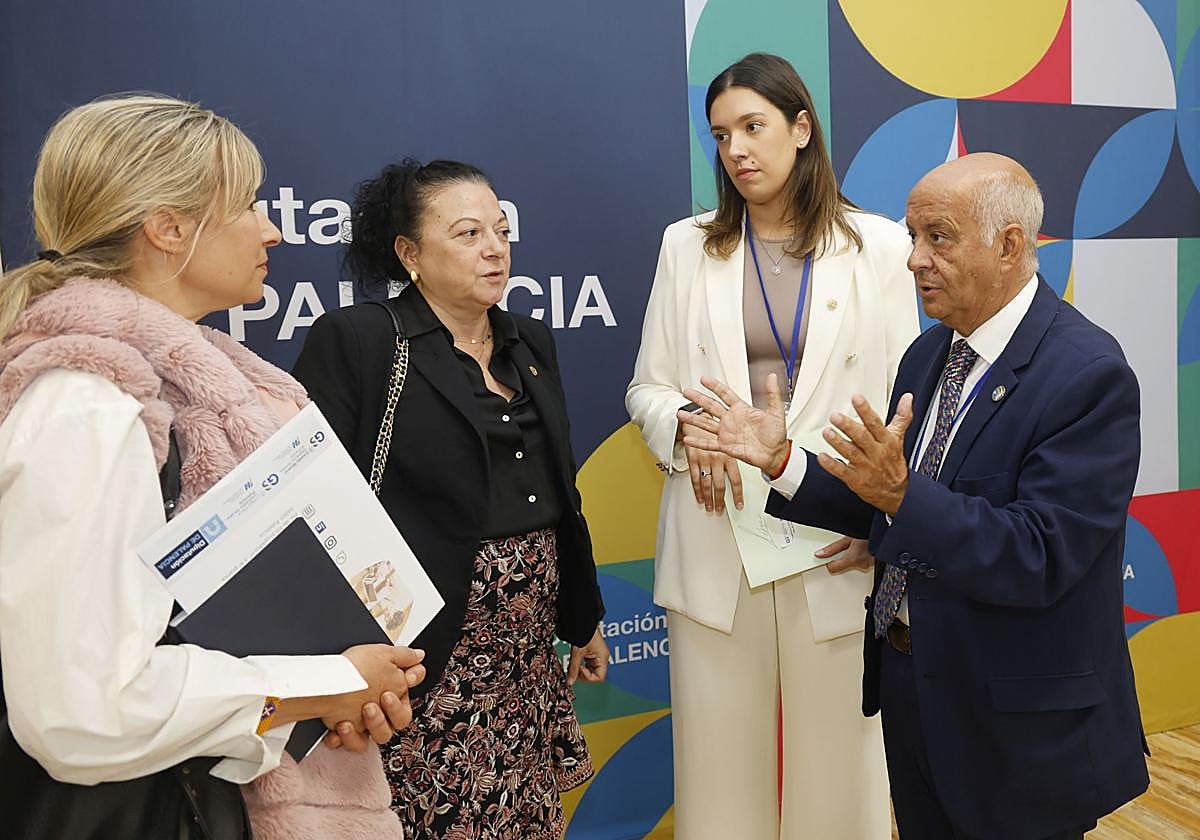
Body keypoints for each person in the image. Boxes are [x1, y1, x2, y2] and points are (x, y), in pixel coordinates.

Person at [679, 152, 1150, 840]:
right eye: (912, 236)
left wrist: (901, 498)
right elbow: (888, 502)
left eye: (939, 237)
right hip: (917, 697)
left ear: (1010, 246)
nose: (914, 260)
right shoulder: (928, 357)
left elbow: (1039, 554)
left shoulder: (1087, 374)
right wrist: (782, 461)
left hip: (1019, 725)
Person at [0, 94, 427, 839]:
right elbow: (84, 711)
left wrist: (325, 699)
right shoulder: (89, 409)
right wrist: (323, 682)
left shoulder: (200, 385)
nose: (271, 228)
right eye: (249, 204)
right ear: (167, 228)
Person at [625, 52, 918, 838]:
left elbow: (908, 410)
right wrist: (690, 431)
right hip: (718, 534)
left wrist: (884, 528)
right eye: (721, 135)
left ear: (802, 126)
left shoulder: (881, 248)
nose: (737, 151)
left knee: (846, 776)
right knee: (718, 778)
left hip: (833, 541)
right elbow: (646, 389)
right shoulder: (685, 246)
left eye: (753, 127)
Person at [291, 157, 609, 839]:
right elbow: (312, 511)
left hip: (525, 660)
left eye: (501, 229)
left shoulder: (530, 341)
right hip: (427, 660)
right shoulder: (365, 341)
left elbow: (561, 492)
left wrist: (581, 618)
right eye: (467, 234)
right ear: (410, 254)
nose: (494, 248)